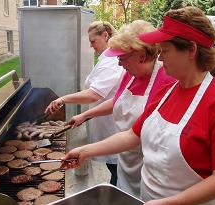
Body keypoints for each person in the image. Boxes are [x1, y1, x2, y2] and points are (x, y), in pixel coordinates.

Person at [62, 6, 215, 205]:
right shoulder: (167, 92)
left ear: (191, 50)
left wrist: (168, 202)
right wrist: (85, 151)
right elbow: (132, 135)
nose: (160, 58)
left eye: (165, 51)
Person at [68, 20, 175, 197]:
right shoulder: (129, 75)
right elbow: (117, 101)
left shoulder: (168, 79)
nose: (119, 64)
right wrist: (85, 115)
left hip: (150, 167)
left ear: (141, 56)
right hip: (124, 159)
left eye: (122, 58)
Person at [45, 21, 124, 186]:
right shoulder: (105, 59)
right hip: (103, 123)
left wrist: (63, 99)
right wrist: (84, 116)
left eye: (93, 41)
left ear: (105, 35)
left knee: (117, 171)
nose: (90, 45)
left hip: (112, 127)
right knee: (113, 169)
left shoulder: (111, 62)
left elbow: (94, 94)